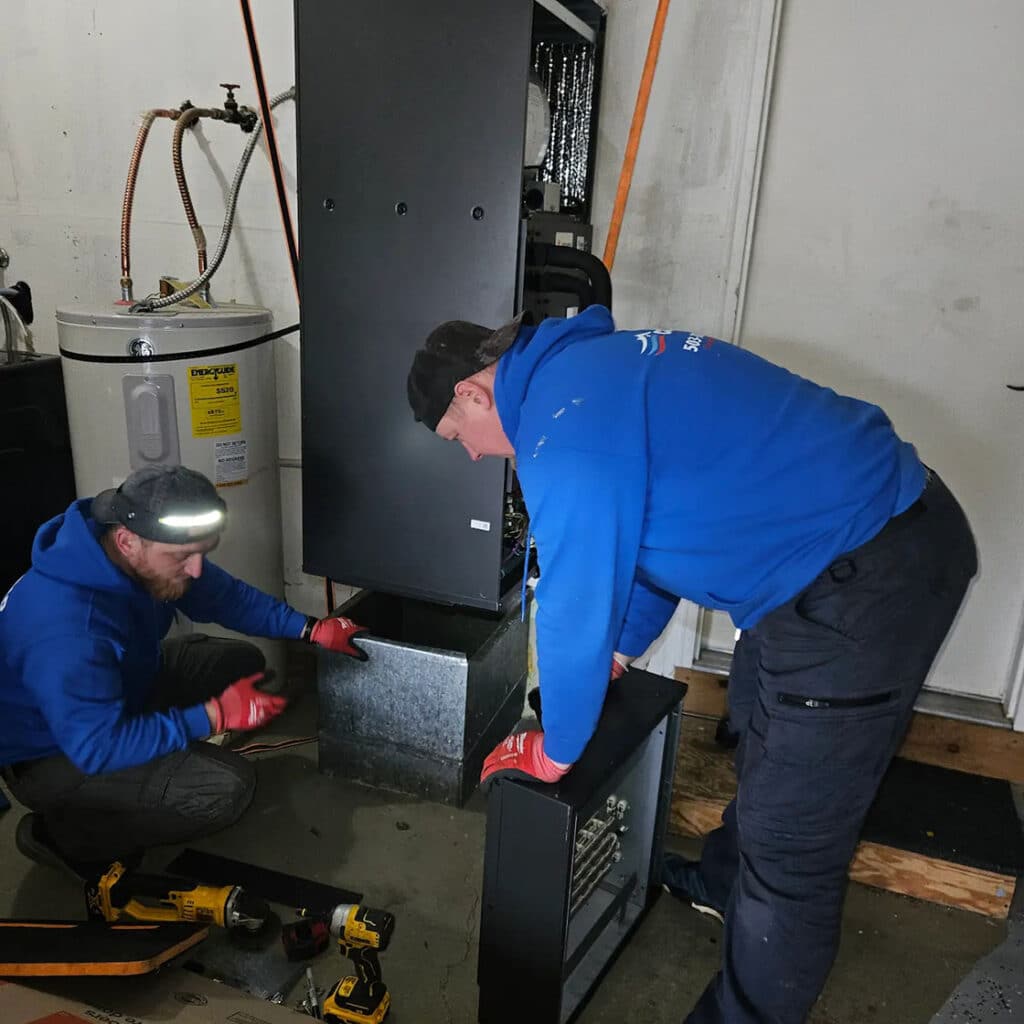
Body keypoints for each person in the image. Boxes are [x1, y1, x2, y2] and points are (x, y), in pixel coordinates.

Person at [406, 304, 977, 1024]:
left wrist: (557, 747)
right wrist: (617, 653)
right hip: (821, 561)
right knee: (761, 726)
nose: (475, 456)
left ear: (472, 395)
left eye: (461, 438)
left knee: (793, 845)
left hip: (867, 574)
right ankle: (721, 881)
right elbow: (642, 549)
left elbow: (576, 601)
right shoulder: (588, 372)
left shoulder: (562, 433)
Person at [0, 465, 368, 880]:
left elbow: (226, 598)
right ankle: (66, 836)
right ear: (127, 541)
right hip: (54, 755)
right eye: (182, 558)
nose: (195, 569)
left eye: (202, 553)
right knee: (225, 790)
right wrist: (213, 717)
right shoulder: (69, 629)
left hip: (120, 689)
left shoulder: (135, 553)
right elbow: (96, 746)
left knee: (240, 661)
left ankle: (157, 752)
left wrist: (311, 629)